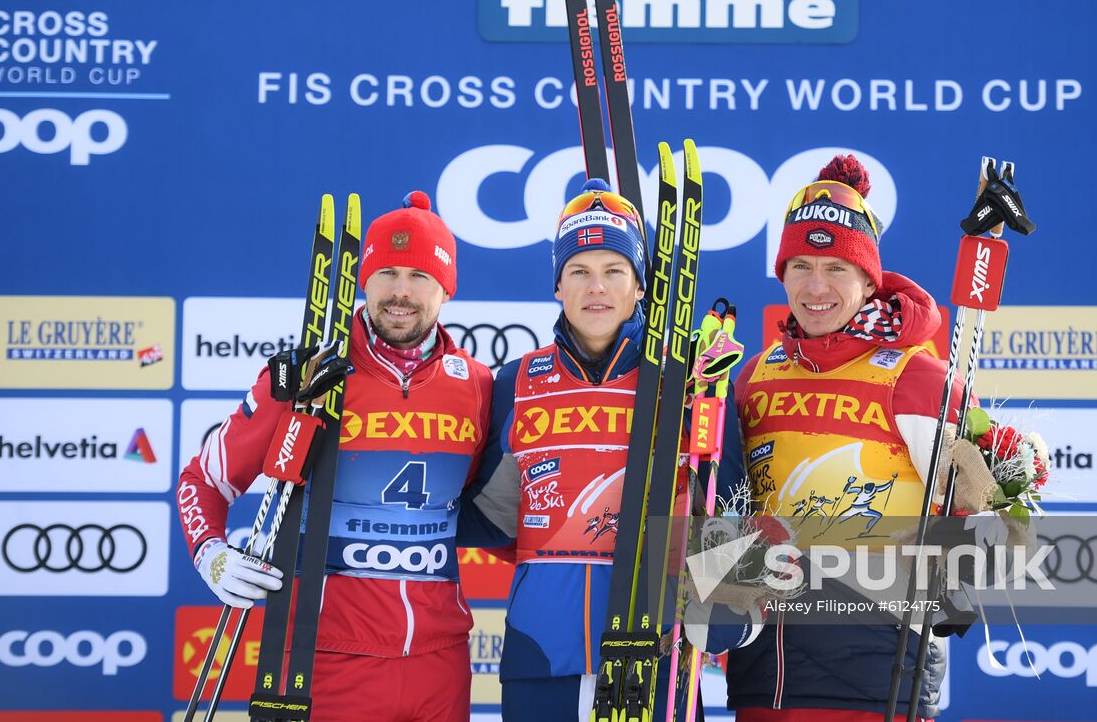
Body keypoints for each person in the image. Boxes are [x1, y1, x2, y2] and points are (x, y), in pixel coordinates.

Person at [176, 191, 493, 722]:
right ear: (361, 279)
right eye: (386, 272)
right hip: (322, 658)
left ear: (446, 288)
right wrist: (211, 553)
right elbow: (202, 480)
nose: (400, 292)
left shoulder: (478, 387)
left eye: (419, 276)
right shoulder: (306, 379)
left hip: (441, 661)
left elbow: (498, 510)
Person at [461, 178, 752, 721]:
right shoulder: (516, 382)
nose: (597, 287)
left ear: (639, 285)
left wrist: (735, 595)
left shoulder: (690, 379)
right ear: (558, 285)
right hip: (541, 651)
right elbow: (495, 517)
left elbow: (728, 493)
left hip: (657, 650)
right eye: (579, 271)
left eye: (614, 271)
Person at [725, 155, 969, 722]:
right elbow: (728, 501)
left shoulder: (915, 375)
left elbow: (992, 499)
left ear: (868, 278)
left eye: (836, 267)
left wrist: (959, 575)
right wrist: (716, 601)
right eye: (800, 265)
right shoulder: (754, 375)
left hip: (874, 674)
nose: (815, 287)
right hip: (764, 671)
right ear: (781, 274)